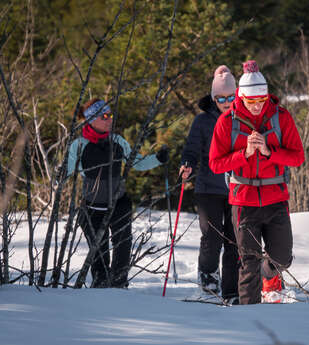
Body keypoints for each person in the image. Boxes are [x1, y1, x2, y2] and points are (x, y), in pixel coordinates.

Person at [209, 60, 305, 304]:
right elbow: (216, 164)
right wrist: (245, 155)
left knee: (282, 259)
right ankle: (249, 317)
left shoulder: (281, 118)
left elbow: (297, 157)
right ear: (240, 97)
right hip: (243, 200)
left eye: (261, 100)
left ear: (266, 96)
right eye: (250, 101)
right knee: (248, 262)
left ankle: (269, 274)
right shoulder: (226, 122)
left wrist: (270, 152)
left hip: (276, 198)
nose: (256, 106)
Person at [67, 99, 169, 288]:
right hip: (91, 207)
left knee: (123, 244)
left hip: (118, 203)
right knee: (99, 250)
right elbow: (67, 169)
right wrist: (58, 178)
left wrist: (158, 159)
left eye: (110, 115)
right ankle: (100, 283)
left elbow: (136, 162)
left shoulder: (118, 141)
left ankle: (119, 283)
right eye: (104, 116)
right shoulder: (79, 145)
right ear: (91, 120)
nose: (109, 120)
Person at [179, 65, 239, 303]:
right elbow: (191, 149)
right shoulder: (202, 121)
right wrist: (187, 164)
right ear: (214, 99)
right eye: (221, 98)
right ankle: (208, 283)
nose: (226, 102)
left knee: (234, 240)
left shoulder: (242, 118)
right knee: (211, 238)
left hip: (237, 188)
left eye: (230, 97)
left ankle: (232, 288)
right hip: (208, 188)